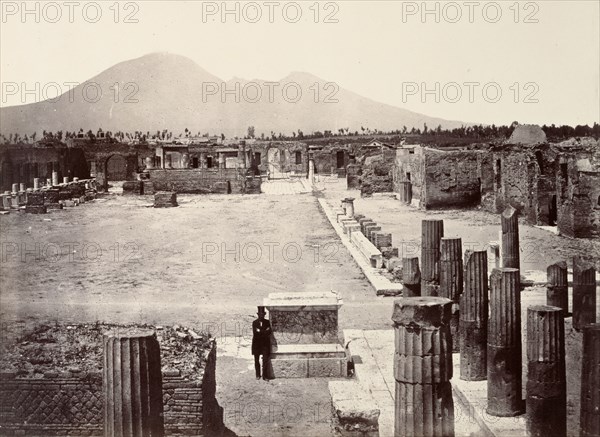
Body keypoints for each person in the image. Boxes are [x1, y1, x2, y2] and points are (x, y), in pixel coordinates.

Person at [252, 306, 272, 380]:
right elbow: (255, 333)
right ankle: (257, 375)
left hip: (265, 345)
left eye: (263, 314)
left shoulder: (267, 322)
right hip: (256, 344)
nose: (261, 316)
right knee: (256, 360)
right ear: (258, 315)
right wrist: (264, 331)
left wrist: (260, 331)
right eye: (260, 314)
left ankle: (265, 376)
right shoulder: (254, 323)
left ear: (264, 315)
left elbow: (269, 332)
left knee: (265, 360)